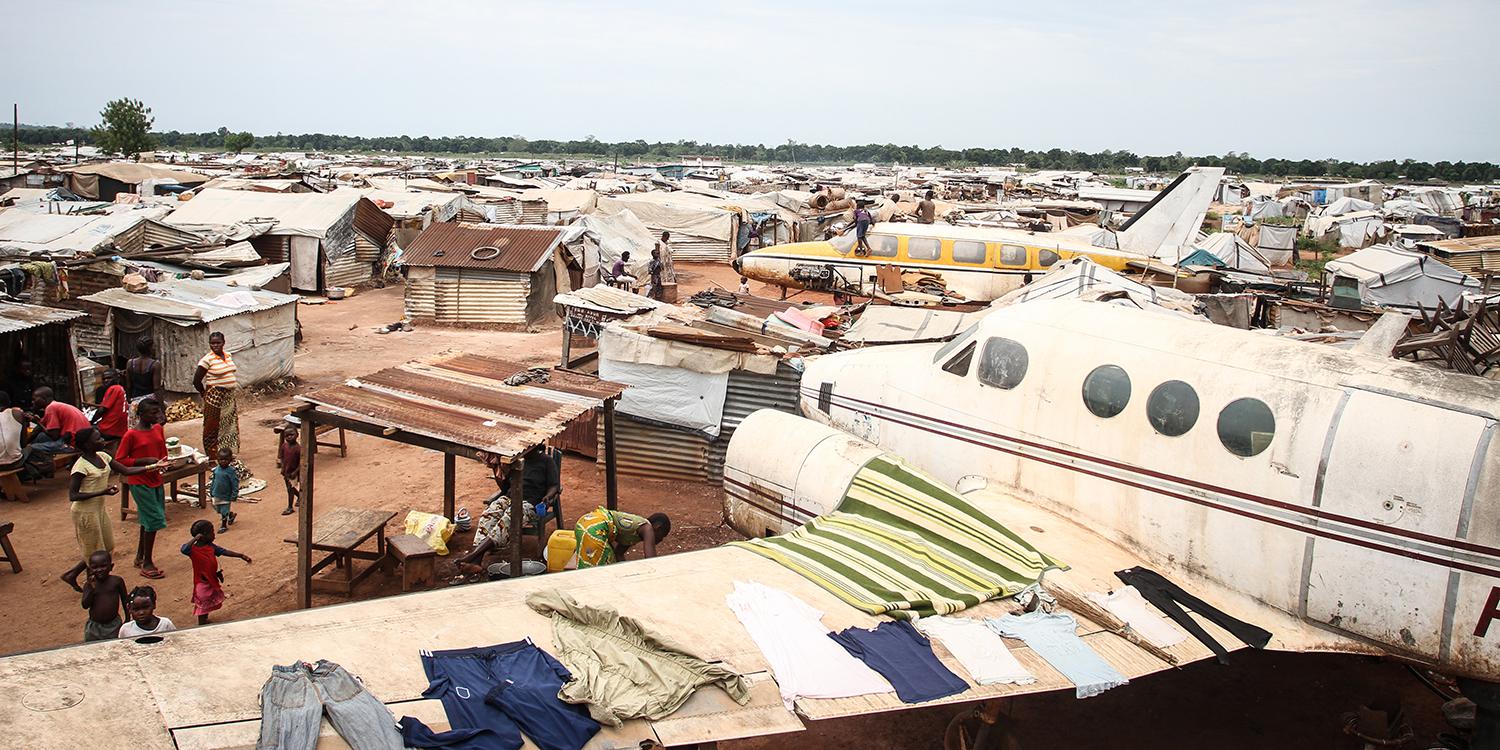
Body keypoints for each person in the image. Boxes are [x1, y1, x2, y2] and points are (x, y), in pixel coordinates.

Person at [61, 427, 159, 591]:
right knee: (94, 552)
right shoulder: (80, 467)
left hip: (99, 509)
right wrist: (102, 492)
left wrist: (153, 466)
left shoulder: (103, 456)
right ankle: (93, 588)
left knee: (107, 546)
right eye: (97, 439)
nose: (102, 441)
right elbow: (73, 495)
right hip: (85, 513)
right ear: (87, 444)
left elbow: (126, 470)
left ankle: (72, 574)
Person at [115, 398, 168, 579]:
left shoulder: (158, 429)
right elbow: (120, 460)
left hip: (155, 478)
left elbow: (162, 452)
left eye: (158, 411)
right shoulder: (131, 435)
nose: (157, 415)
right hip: (139, 480)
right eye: (153, 413)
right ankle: (147, 563)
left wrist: (163, 463)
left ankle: (140, 556)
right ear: (141, 415)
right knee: (154, 519)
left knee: (147, 519)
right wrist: (144, 461)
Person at [181, 518, 251, 625]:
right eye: (211, 532)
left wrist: (241, 555)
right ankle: (202, 623)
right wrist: (196, 538)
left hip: (211, 579)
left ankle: (204, 619)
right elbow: (184, 549)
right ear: (203, 535)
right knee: (203, 601)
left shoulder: (211, 547)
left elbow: (225, 552)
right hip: (202, 582)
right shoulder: (192, 550)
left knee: (207, 601)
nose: (214, 535)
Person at [573, 507, 670, 569]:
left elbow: (618, 555)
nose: (661, 540)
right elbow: (651, 561)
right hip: (596, 527)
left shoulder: (632, 534)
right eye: (662, 535)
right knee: (602, 570)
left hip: (584, 523)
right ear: (657, 527)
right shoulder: (647, 528)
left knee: (594, 565)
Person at [193, 332, 239, 462]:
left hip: (228, 397)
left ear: (223, 343)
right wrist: (204, 393)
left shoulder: (228, 355)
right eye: (212, 343)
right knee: (211, 426)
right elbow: (196, 381)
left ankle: (226, 454)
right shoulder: (207, 360)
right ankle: (212, 457)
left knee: (228, 425)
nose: (215, 345)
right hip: (214, 397)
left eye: (218, 343)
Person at [26, 386, 91, 459]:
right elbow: (45, 427)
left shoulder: (51, 408)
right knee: (41, 436)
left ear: (44, 398)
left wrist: (38, 423)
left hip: (73, 443)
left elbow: (54, 435)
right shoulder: (56, 405)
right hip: (80, 439)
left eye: (34, 399)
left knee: (32, 448)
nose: (33, 402)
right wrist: (39, 421)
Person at [80, 550, 127, 642]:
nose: (99, 570)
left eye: (103, 566)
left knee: (114, 645)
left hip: (113, 625)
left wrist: (127, 618)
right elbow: (85, 605)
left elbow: (125, 600)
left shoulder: (117, 581)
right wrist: (91, 589)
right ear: (90, 569)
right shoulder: (89, 585)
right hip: (94, 626)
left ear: (111, 567)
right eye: (95, 567)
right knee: (92, 647)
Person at [89, 369, 128, 443]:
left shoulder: (113, 388)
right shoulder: (120, 388)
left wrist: (91, 422)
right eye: (104, 379)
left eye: (109, 378)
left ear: (117, 378)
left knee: (84, 431)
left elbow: (102, 410)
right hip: (119, 430)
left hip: (109, 429)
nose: (106, 380)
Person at [125, 337, 163, 406]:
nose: (154, 348)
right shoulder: (155, 364)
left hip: (135, 400)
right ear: (150, 348)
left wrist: (129, 401)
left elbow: (128, 386)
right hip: (150, 401)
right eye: (153, 346)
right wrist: (161, 406)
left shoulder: (130, 363)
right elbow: (156, 388)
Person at [210, 447, 238, 533]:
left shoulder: (231, 471)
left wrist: (234, 494)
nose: (223, 461)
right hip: (216, 493)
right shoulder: (216, 469)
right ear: (217, 459)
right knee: (218, 508)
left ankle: (223, 525)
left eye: (226, 459)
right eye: (221, 459)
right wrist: (211, 490)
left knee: (223, 511)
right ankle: (231, 515)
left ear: (230, 460)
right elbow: (214, 480)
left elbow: (235, 483)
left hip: (226, 495)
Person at [278, 426, 301, 516]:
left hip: (294, 472)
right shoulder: (284, 446)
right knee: (290, 488)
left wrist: (295, 472)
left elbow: (301, 463)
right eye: (287, 435)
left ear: (297, 435)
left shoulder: (298, 448)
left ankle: (290, 507)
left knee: (290, 489)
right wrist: (283, 468)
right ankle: (300, 496)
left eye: (292, 435)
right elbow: (282, 458)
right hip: (286, 472)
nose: (289, 437)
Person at [0, 390, 24, 474]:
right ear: (9, 402)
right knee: (30, 448)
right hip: (16, 462)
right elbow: (23, 442)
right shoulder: (17, 413)